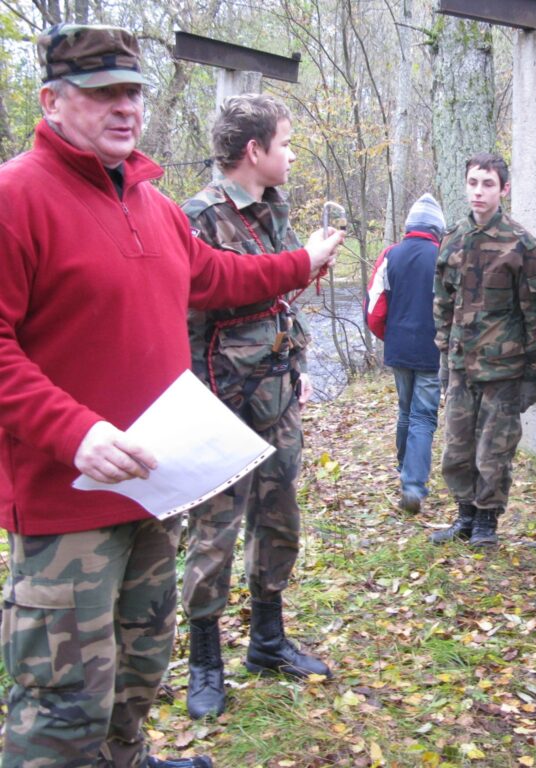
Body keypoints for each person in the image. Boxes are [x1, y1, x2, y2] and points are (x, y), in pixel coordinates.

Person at [0, 23, 340, 768]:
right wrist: (73, 431)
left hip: (154, 493)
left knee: (139, 671)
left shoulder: (153, 207)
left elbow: (219, 278)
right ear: (52, 100)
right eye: (101, 94)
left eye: (133, 92)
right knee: (61, 707)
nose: (124, 108)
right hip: (67, 508)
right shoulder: (15, 197)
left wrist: (299, 263)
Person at [180, 94, 333, 720]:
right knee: (213, 534)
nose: (292, 154)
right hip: (219, 403)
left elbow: (279, 297)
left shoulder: (274, 211)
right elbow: (191, 310)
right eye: (286, 143)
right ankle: (204, 662)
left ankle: (267, 640)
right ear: (255, 151)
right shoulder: (198, 218)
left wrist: (295, 364)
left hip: (276, 397)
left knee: (279, 521)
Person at [431, 153, 536, 549]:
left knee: (493, 450)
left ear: (504, 189)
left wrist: (534, 371)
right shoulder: (453, 238)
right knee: (457, 446)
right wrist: (445, 357)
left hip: (504, 368)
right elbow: (443, 303)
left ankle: (486, 522)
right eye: (474, 183)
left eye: (488, 184)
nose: (479, 192)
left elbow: (535, 312)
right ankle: (465, 514)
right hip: (462, 364)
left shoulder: (520, 243)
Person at [365, 194, 446, 514]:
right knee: (423, 417)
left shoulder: (390, 255)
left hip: (398, 347)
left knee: (405, 412)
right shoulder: (442, 257)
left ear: (410, 225)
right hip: (431, 349)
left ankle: (405, 472)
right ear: (437, 228)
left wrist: (390, 336)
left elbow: (374, 308)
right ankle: (413, 485)